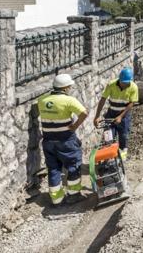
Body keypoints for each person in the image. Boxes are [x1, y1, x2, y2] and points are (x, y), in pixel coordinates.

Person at [37, 73, 89, 205]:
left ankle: (56, 199)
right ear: (65, 88)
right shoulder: (68, 100)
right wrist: (75, 126)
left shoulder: (42, 100)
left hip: (48, 140)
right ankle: (73, 195)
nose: (70, 89)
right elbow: (84, 113)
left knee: (53, 169)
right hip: (65, 140)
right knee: (73, 165)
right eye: (69, 87)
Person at [93, 67, 138, 161]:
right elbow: (103, 99)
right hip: (111, 113)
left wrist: (120, 116)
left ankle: (122, 156)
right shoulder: (111, 85)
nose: (125, 85)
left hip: (124, 115)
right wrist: (97, 116)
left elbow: (132, 103)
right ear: (120, 80)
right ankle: (108, 158)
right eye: (123, 82)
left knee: (124, 135)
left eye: (127, 83)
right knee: (108, 136)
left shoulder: (133, 87)